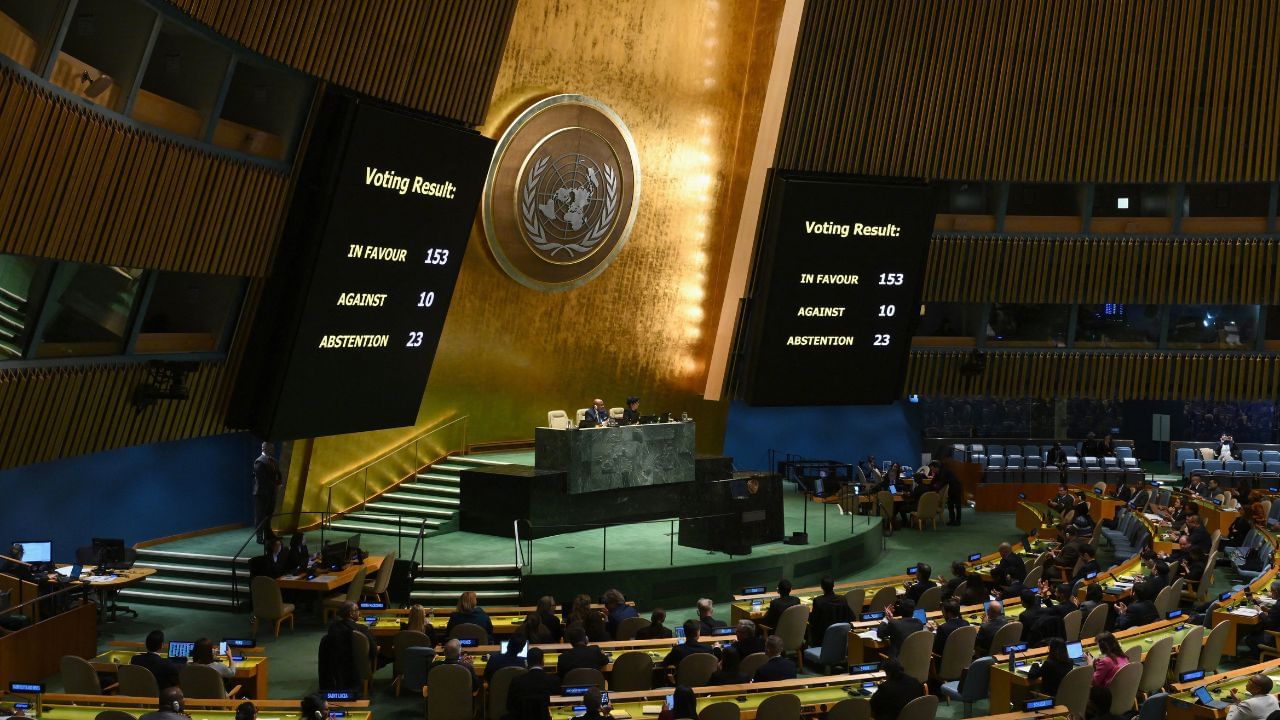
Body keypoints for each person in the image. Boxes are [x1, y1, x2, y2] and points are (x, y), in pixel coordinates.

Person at [318, 601, 378, 692]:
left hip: (336, 671)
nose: (359, 612)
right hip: (357, 667)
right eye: (357, 610)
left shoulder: (332, 628)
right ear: (351, 613)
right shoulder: (362, 629)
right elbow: (373, 650)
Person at [506, 648, 562, 720]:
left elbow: (509, 706)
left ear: (527, 663)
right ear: (543, 662)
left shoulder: (516, 681)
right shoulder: (554, 680)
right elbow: (558, 706)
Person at [252, 441, 283, 544]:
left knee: (269, 515)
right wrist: (275, 485)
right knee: (260, 516)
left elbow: (278, 474)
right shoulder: (259, 461)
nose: (273, 450)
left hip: (271, 492)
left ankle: (269, 535)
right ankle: (259, 537)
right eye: (271, 448)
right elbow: (262, 479)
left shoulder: (273, 461)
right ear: (265, 448)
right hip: (261, 494)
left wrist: (279, 484)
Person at [808, 576, 852, 645]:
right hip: (841, 638)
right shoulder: (842, 599)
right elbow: (851, 617)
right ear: (833, 586)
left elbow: (812, 621)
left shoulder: (818, 601)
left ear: (821, 587)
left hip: (823, 640)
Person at [1243, 581, 1280, 657]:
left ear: (1276, 592)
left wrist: (1260, 612)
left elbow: (1269, 624)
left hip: (1276, 639)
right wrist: (1268, 610)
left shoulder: (1278, 605)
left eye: (1271, 591)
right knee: (1256, 631)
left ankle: (1257, 657)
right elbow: (1277, 614)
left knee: (1249, 639)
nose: (1269, 593)